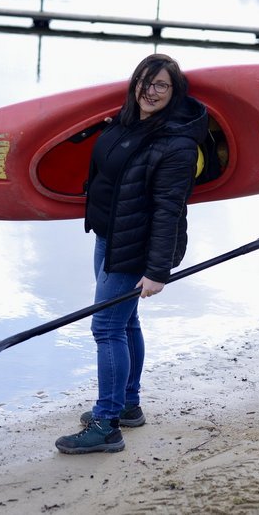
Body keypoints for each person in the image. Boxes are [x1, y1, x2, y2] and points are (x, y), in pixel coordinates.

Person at [55, 53, 209, 454]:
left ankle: (106, 424)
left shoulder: (177, 144)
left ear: (175, 93)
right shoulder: (127, 123)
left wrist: (157, 270)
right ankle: (127, 405)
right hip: (109, 237)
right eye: (144, 81)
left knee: (105, 329)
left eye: (161, 85)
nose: (150, 91)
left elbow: (168, 209)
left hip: (134, 247)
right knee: (124, 323)